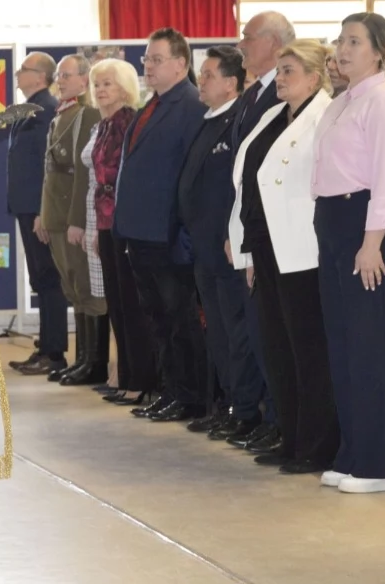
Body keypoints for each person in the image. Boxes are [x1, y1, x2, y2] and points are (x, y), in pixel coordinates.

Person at [228, 39, 341, 475]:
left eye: (289, 70)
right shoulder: (274, 115)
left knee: (308, 351)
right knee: (277, 348)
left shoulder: (325, 116)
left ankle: (317, 445)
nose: (280, 78)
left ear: (314, 76)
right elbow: (248, 181)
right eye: (279, 70)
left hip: (303, 249)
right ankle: (291, 437)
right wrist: (244, 243)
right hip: (267, 246)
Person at [312, 12, 385, 494]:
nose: (344, 49)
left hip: (368, 230)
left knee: (370, 346)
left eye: (355, 41)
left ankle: (380, 464)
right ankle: (353, 452)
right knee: (343, 345)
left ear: (378, 50)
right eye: (341, 40)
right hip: (335, 224)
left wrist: (372, 243)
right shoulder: (341, 103)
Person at [113, 28, 208, 423]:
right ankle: (170, 389)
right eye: (146, 60)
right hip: (142, 233)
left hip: (168, 236)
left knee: (178, 319)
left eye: (155, 59)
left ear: (181, 64)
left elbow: (189, 175)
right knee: (158, 319)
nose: (147, 66)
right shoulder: (151, 105)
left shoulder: (189, 105)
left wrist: (180, 232)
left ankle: (188, 395)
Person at [176, 46, 262, 442]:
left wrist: (233, 235)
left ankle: (245, 410)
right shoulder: (207, 120)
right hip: (203, 248)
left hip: (227, 246)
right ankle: (228, 403)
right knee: (218, 333)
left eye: (209, 74)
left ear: (232, 83)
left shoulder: (236, 122)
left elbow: (236, 187)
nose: (202, 81)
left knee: (235, 331)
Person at [87, 59, 157, 408]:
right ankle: (127, 376)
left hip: (124, 222)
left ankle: (140, 380)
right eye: (97, 84)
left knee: (131, 305)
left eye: (108, 84)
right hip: (105, 221)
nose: (100, 90)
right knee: (117, 304)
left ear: (125, 87)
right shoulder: (103, 125)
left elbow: (125, 177)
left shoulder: (127, 121)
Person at [44, 54, 107, 387]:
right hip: (57, 214)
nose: (60, 80)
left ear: (85, 80)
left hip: (75, 214)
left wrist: (77, 220)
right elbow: (51, 172)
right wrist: (45, 213)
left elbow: (84, 175)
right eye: (58, 75)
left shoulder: (88, 115)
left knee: (88, 288)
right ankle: (82, 357)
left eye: (67, 75)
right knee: (73, 287)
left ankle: (94, 362)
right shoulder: (60, 116)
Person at [6, 51, 69, 378]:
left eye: (24, 69)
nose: (18, 73)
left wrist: (45, 211)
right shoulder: (30, 108)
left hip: (38, 209)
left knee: (48, 278)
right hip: (27, 206)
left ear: (40, 77)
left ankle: (55, 353)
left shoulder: (45, 109)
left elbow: (50, 164)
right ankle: (46, 347)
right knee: (41, 278)